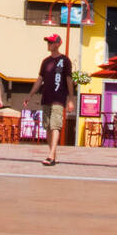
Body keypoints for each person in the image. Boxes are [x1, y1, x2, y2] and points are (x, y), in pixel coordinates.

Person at [27, 34, 73, 166]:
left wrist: (70, 99)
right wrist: (30, 95)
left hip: (59, 98)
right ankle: (52, 153)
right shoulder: (45, 61)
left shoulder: (64, 60)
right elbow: (40, 80)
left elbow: (69, 80)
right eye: (48, 42)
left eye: (51, 42)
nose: (49, 44)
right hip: (46, 97)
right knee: (47, 127)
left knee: (55, 126)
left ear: (58, 44)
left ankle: (51, 155)